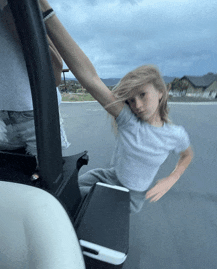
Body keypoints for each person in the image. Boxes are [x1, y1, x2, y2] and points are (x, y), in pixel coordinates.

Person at [39, 0, 193, 213]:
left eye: (142, 95)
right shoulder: (129, 120)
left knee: (66, 208)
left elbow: (187, 155)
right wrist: (45, 12)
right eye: (130, 100)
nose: (136, 105)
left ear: (162, 92)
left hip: (128, 196)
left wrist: (172, 178)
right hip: (107, 176)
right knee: (61, 195)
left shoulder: (176, 135)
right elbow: (91, 79)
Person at [0, 2, 70, 161]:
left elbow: (55, 71)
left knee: (44, 179)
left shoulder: (18, 7)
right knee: (44, 180)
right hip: (32, 109)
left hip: (34, 113)